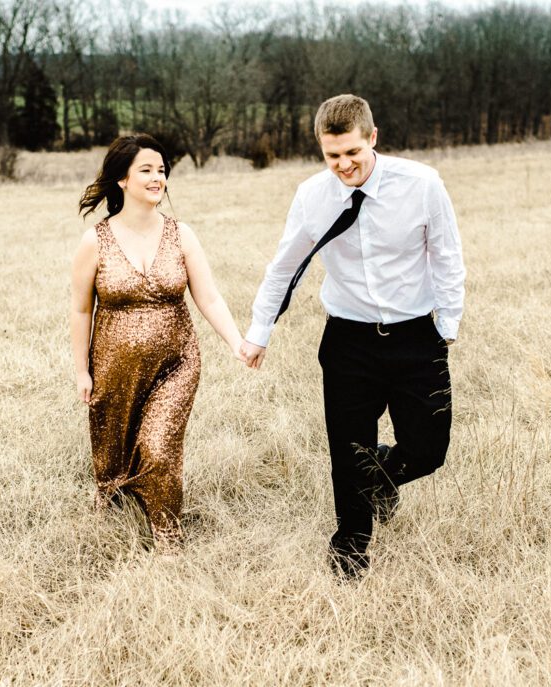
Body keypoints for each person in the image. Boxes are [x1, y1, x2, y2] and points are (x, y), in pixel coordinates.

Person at [239, 95, 466, 579]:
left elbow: (446, 255)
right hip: (348, 341)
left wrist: (447, 325)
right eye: (332, 156)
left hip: (414, 336)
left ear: (373, 138)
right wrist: (260, 332)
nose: (343, 165)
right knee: (347, 448)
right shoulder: (312, 197)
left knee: (429, 450)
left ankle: (382, 475)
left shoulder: (421, 184)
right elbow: (284, 268)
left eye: (352, 154)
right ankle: (351, 547)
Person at [70, 134, 245, 547]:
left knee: (158, 446)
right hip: (114, 367)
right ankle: (120, 506)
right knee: (113, 459)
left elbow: (210, 296)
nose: (157, 178)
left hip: (176, 362)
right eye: (146, 170)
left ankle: (168, 532)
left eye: (162, 170)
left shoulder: (181, 234)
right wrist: (81, 370)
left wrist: (237, 341)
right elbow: (81, 310)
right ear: (122, 180)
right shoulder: (95, 241)